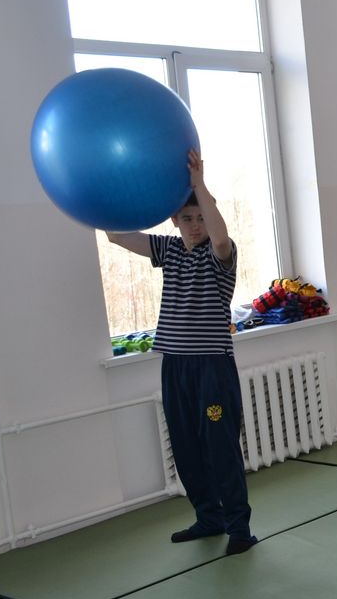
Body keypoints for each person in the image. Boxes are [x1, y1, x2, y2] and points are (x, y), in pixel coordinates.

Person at [107, 151, 257, 555]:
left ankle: (239, 528)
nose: (196, 225)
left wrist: (198, 185)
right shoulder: (169, 251)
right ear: (174, 220)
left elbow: (220, 237)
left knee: (219, 447)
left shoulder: (220, 255)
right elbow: (116, 236)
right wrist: (106, 190)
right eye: (187, 218)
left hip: (211, 368)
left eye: (202, 218)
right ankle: (209, 518)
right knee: (187, 447)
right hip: (174, 366)